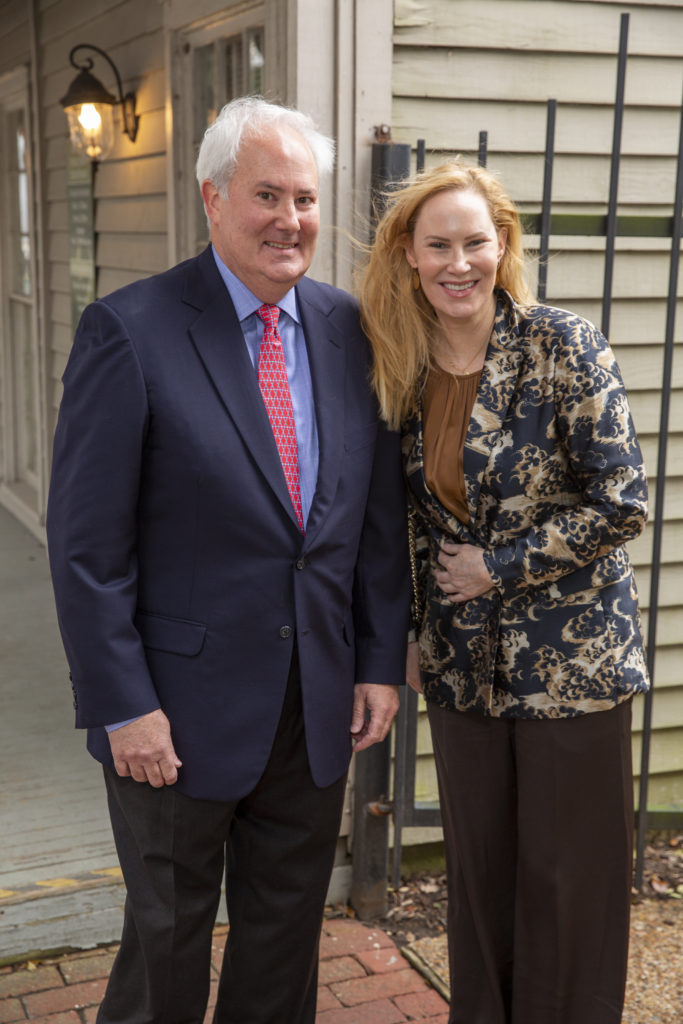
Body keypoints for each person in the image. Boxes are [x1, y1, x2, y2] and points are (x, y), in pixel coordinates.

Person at [47, 96, 409, 1024]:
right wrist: (125, 705)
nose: (290, 220)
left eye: (304, 198)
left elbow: (370, 520)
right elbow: (88, 550)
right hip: (174, 714)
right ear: (212, 199)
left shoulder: (346, 328)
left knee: (284, 934)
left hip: (314, 702)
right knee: (167, 935)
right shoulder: (130, 330)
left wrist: (376, 664)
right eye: (266, 196)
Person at [359, 161, 649, 1024]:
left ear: (503, 246)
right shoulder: (398, 365)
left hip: (573, 666)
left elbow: (621, 499)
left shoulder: (563, 344)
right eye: (437, 244)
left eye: (474, 242)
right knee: (478, 872)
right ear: (407, 254)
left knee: (565, 880)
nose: (458, 262)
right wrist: (409, 630)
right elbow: (408, 517)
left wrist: (500, 563)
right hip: (459, 665)